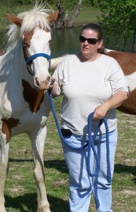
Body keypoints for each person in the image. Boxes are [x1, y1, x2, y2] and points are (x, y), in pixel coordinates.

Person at [50, 23, 129, 212]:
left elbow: (123, 92)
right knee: (79, 181)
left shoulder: (109, 64)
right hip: (73, 134)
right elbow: (55, 92)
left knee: (103, 180)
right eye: (82, 39)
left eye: (91, 40)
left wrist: (106, 105)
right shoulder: (68, 63)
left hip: (104, 133)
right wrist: (50, 84)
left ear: (99, 43)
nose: (85, 43)